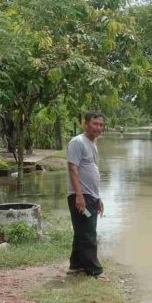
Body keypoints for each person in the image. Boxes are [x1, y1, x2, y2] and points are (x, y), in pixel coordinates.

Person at [67, 110, 105, 278]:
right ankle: (94, 270)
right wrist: (79, 195)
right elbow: (72, 168)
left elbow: (92, 170)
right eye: (95, 123)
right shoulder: (77, 142)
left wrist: (99, 198)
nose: (98, 127)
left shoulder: (93, 143)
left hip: (91, 197)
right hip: (81, 197)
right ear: (86, 124)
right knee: (89, 232)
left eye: (101, 124)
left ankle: (76, 265)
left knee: (82, 230)